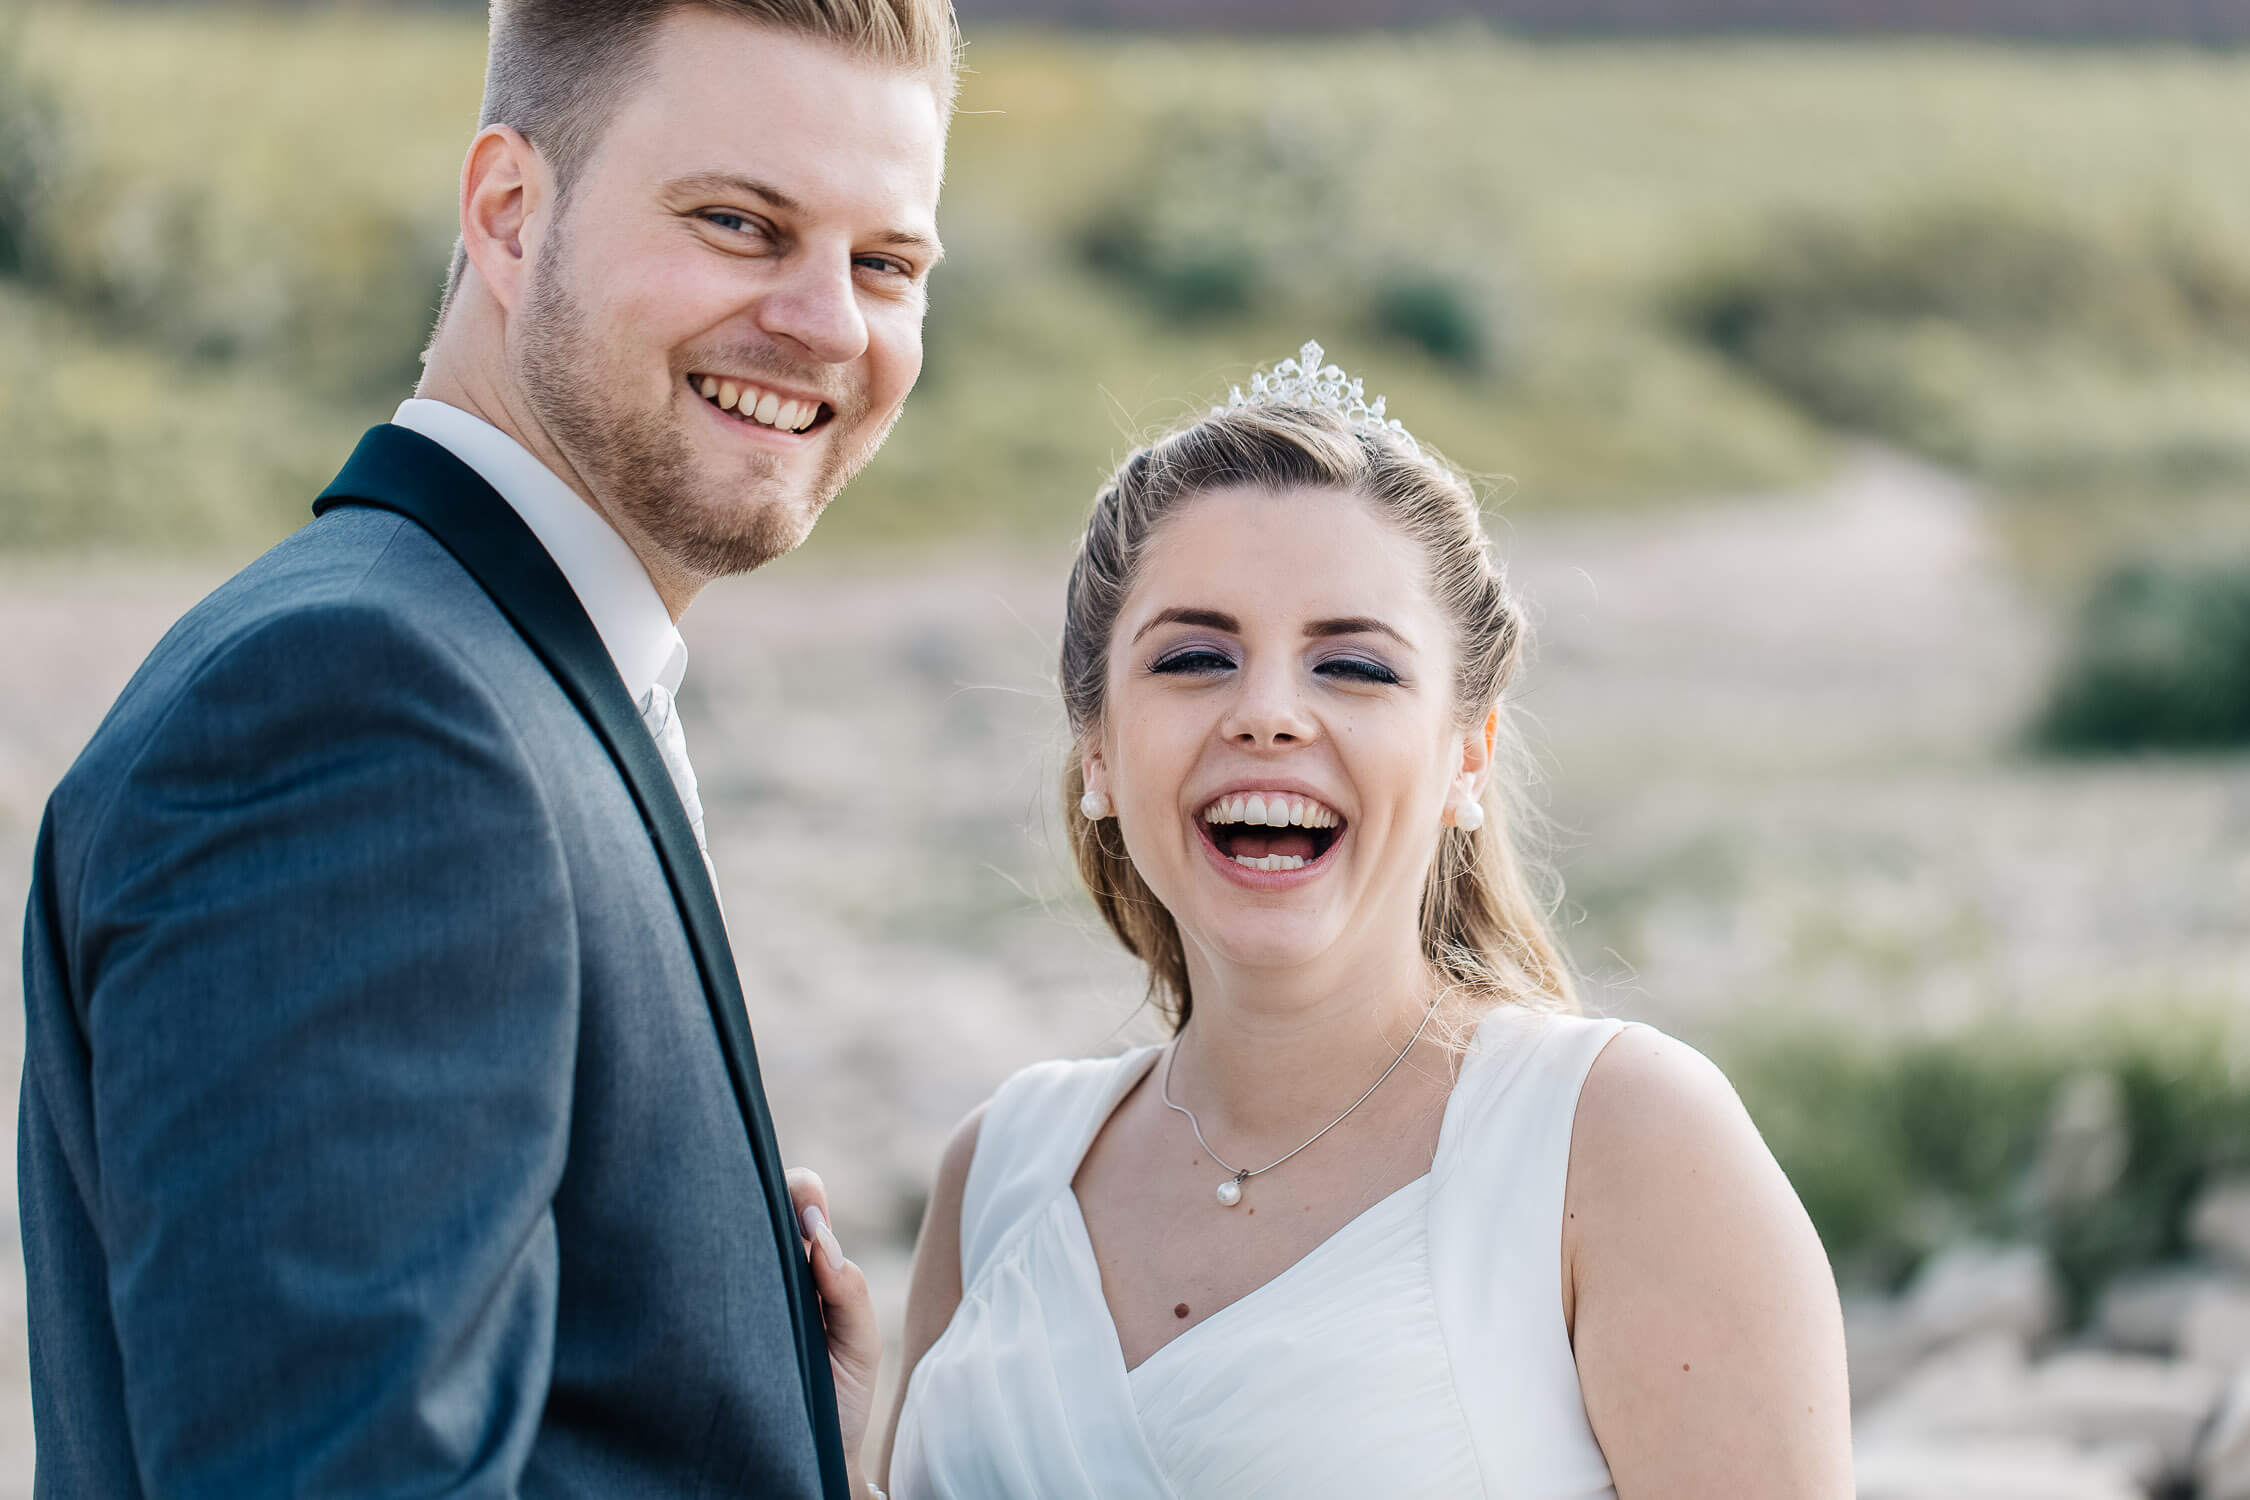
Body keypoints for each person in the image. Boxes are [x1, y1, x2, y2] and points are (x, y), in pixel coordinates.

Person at [17, 1, 953, 1494]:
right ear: (510, 215)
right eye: (738, 223)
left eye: (885, 263)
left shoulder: (514, 673)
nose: (829, 322)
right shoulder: (363, 710)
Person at [859, 344, 1857, 1496]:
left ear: (1466, 758)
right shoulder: (996, 1175)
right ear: (1097, 748)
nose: (1270, 715)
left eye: (1354, 668)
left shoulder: (1622, 1142)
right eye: (1195, 658)